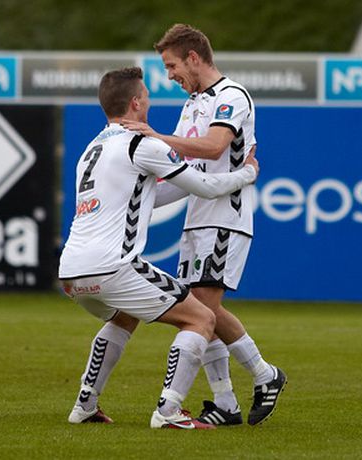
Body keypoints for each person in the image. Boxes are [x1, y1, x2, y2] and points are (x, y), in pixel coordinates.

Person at [59, 66, 260, 429]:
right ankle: (169, 411)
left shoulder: (92, 149)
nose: (150, 101)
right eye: (147, 96)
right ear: (136, 103)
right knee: (201, 318)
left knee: (124, 316)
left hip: (72, 272)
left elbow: (160, 194)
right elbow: (204, 187)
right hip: (112, 266)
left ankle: (85, 404)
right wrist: (247, 174)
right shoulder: (143, 144)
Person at [121, 24, 286, 426]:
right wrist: (137, 203)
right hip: (197, 220)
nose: (169, 76)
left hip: (225, 219)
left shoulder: (232, 96)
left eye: (172, 66)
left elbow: (213, 147)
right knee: (202, 312)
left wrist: (156, 136)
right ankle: (233, 398)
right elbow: (184, 172)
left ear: (193, 58)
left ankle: (256, 380)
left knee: (200, 312)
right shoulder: (193, 104)